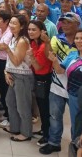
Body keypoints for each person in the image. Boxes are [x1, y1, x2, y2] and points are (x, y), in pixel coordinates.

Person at [0, 14, 33, 142]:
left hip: (22, 76)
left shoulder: (22, 41)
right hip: (12, 74)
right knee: (10, 101)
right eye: (11, 23)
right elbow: (9, 60)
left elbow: (17, 61)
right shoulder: (14, 38)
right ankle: (14, 127)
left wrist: (7, 49)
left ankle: (26, 133)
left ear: (22, 26)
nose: (12, 26)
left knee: (22, 106)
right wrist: (6, 72)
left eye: (15, 23)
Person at [40, 12, 80, 154]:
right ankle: (54, 142)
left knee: (77, 119)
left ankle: (76, 146)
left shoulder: (80, 40)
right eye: (63, 22)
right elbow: (49, 55)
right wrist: (46, 42)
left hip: (77, 88)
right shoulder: (57, 38)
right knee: (55, 115)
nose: (65, 24)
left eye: (68, 22)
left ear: (77, 24)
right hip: (58, 84)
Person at [48, 29, 82, 143]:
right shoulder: (72, 55)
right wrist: (54, 61)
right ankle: (75, 147)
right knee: (76, 124)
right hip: (74, 95)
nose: (79, 41)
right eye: (77, 38)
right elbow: (60, 71)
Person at [27, 20, 53, 147]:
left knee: (44, 108)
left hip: (44, 79)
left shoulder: (43, 46)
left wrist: (31, 57)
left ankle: (48, 136)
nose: (30, 32)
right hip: (38, 78)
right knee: (41, 106)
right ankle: (44, 130)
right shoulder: (33, 43)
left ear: (42, 31)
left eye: (34, 30)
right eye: (29, 29)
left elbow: (37, 66)